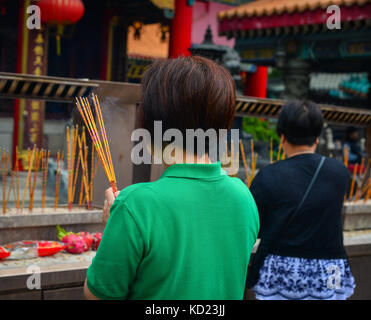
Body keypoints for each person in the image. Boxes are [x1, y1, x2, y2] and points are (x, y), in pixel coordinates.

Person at [84, 56, 260, 300]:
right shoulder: (244, 197)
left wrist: (117, 224)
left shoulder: (135, 204)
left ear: (150, 123)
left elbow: (99, 295)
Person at [246, 100, 355, 300]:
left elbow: (255, 226)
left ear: (282, 136)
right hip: (329, 271)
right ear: (317, 138)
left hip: (281, 273)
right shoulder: (340, 173)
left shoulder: (268, 175)